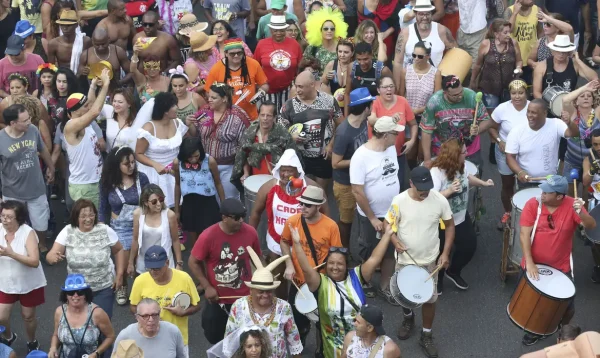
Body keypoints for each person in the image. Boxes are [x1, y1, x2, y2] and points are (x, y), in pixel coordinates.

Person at [288, 195, 393, 357]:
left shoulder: (357, 276)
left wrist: (387, 236)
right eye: (331, 263)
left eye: (339, 264)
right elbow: (307, 269)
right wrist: (297, 244)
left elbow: (374, 259)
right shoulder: (320, 283)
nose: (335, 267)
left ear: (346, 266)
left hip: (361, 348)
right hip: (332, 351)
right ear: (325, 264)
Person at [385, 166, 454, 358]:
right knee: (404, 295)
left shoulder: (439, 200)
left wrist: (445, 253)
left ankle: (426, 334)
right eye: (421, 188)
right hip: (405, 260)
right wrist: (394, 240)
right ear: (411, 183)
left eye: (428, 187)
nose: (425, 192)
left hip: (430, 261)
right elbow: (388, 223)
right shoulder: (399, 201)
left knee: (430, 299)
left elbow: (449, 226)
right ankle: (408, 318)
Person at [519, 175, 596, 345]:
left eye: (547, 192)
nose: (542, 193)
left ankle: (563, 330)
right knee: (534, 305)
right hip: (534, 264)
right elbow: (524, 234)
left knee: (568, 307)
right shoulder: (533, 204)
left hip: (561, 267)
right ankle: (535, 331)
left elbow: (591, 225)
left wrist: (580, 213)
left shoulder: (572, 205)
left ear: (560, 196)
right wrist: (529, 262)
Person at [248, 149, 325, 298]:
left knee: (304, 278)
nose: (285, 174)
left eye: (289, 171)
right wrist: (250, 237)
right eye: (282, 170)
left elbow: (325, 213)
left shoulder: (311, 187)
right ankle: (282, 305)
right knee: (278, 279)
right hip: (276, 243)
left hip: (304, 243)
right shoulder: (268, 187)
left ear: (298, 171)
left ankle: (301, 309)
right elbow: (255, 213)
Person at [188, 198, 261, 345]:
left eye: (243, 216)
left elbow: (257, 259)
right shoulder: (208, 235)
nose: (241, 220)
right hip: (219, 299)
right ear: (224, 218)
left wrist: (263, 281)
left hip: (245, 298)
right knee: (214, 334)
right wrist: (207, 286)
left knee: (247, 339)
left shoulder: (251, 232)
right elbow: (193, 262)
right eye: (236, 217)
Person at [279, 185, 341, 344]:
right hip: (298, 282)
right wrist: (289, 264)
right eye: (301, 203)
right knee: (297, 322)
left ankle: (321, 350)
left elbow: (337, 255)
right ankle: (300, 344)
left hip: (320, 284)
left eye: (308, 205)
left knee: (323, 324)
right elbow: (284, 241)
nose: (303, 208)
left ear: (319, 206)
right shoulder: (293, 221)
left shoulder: (331, 226)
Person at [431, 138, 494, 292]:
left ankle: (453, 271)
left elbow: (467, 178)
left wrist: (483, 183)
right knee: (438, 253)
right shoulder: (436, 172)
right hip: (442, 222)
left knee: (469, 246)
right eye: (464, 152)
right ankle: (436, 279)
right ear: (454, 155)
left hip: (460, 216)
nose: (467, 154)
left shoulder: (461, 166)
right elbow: (432, 199)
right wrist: (449, 191)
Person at [46, 199, 126, 319]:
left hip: (103, 287)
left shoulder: (105, 230)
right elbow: (50, 255)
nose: (88, 219)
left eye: (91, 215)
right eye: (83, 216)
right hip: (76, 291)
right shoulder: (68, 231)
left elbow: (119, 250)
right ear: (75, 217)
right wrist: (53, 258)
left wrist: (119, 275)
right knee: (80, 324)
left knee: (102, 323)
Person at [350, 115, 401, 302]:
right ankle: (366, 281)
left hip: (392, 213)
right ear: (386, 135)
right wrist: (372, 218)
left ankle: (385, 286)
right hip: (370, 216)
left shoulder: (391, 148)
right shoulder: (361, 157)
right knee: (368, 249)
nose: (398, 137)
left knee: (389, 251)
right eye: (395, 133)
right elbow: (357, 191)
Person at [224, 247, 303, 358]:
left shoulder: (284, 307)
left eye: (269, 291)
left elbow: (294, 341)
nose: (265, 295)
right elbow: (229, 342)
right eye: (261, 291)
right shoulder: (238, 306)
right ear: (251, 290)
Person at [0, 104, 54, 253]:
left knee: (41, 222)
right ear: (13, 123)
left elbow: (42, 149)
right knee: (12, 224)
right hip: (12, 192)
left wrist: (51, 168)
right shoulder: (1, 140)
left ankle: (41, 246)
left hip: (36, 189)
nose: (29, 122)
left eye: (29, 118)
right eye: (24, 120)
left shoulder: (33, 130)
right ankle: (17, 250)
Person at [278, 71, 343, 195]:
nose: (297, 90)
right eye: (296, 86)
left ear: (312, 85)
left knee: (318, 193)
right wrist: (291, 137)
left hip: (323, 157)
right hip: (299, 156)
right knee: (298, 192)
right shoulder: (289, 106)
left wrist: (331, 145)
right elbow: (279, 131)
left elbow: (341, 124)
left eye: (301, 86)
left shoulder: (329, 101)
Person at [99, 146, 149, 305]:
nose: (131, 166)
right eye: (126, 164)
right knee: (125, 261)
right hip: (120, 227)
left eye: (133, 162)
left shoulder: (142, 178)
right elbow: (102, 208)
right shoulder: (107, 182)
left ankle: (142, 288)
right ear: (116, 165)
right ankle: (122, 286)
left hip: (142, 224)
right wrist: (100, 230)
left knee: (141, 260)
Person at [129, 245, 201, 356]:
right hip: (149, 337)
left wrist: (183, 312)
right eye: (150, 268)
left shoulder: (184, 278)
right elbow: (133, 306)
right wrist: (146, 318)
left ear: (167, 263)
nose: (153, 272)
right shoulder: (140, 281)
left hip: (177, 339)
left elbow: (196, 305)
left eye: (157, 268)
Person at [0, 201, 46, 352]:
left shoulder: (28, 233)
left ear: (18, 218)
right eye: (3, 216)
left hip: (28, 283)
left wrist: (11, 254)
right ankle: (8, 336)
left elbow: (34, 261)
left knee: (28, 316)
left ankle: (31, 341)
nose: (4, 220)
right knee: (1, 316)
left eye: (9, 217)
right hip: (5, 281)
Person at [420, 75, 492, 170]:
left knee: (473, 178)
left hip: (470, 149)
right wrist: (427, 159)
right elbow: (426, 131)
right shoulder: (434, 102)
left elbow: (486, 120)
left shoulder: (471, 96)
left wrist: (478, 129)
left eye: (461, 91)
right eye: (455, 95)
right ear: (445, 93)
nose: (460, 96)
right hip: (444, 150)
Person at [63, 70, 110, 209]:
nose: (88, 107)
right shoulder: (71, 126)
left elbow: (90, 104)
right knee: (90, 225)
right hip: (85, 186)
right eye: (85, 107)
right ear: (76, 111)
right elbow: (95, 111)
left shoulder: (84, 121)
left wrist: (93, 86)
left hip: (92, 183)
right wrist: (106, 85)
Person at [505, 99, 579, 188]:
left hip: (550, 181)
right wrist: (520, 172)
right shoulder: (516, 131)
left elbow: (574, 133)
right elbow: (510, 156)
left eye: (534, 113)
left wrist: (570, 123)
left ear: (545, 113)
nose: (529, 115)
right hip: (527, 182)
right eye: (528, 112)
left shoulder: (556, 124)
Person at [195, 83, 250, 200]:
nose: (209, 100)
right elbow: (195, 135)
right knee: (210, 200)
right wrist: (189, 124)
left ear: (224, 99)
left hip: (229, 167)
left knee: (229, 200)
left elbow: (245, 147)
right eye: (208, 96)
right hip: (206, 166)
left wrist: (246, 172)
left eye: (213, 98)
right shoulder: (204, 111)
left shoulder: (238, 116)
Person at [332, 88, 372, 249]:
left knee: (364, 216)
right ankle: (342, 251)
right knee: (346, 222)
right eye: (371, 104)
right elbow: (335, 163)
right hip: (345, 184)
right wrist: (359, 159)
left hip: (360, 181)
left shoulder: (363, 122)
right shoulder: (345, 132)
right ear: (365, 108)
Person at [135, 92, 189, 209]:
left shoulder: (177, 123)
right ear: (165, 110)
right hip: (154, 173)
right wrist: (155, 164)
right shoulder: (148, 128)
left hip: (174, 171)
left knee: (179, 206)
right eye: (174, 105)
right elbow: (138, 154)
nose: (177, 107)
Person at [488, 79, 529, 229]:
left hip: (526, 153)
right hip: (504, 153)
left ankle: (526, 215)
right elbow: (491, 128)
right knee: (507, 184)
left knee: (526, 183)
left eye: (520, 93)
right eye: (513, 93)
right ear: (509, 94)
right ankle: (508, 212)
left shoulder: (533, 107)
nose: (517, 96)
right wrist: (499, 141)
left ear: (526, 92)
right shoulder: (502, 108)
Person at [173, 137, 225, 249]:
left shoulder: (209, 161)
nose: (193, 160)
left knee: (211, 236)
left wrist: (224, 205)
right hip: (189, 203)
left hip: (208, 203)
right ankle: (197, 262)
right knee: (195, 239)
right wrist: (177, 210)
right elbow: (177, 185)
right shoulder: (177, 163)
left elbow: (218, 183)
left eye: (196, 156)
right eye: (190, 157)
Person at [47, 274, 115, 358]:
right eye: (71, 292)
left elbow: (110, 336)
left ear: (86, 294)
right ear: (66, 295)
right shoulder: (59, 312)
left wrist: (96, 353)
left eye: (80, 292)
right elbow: (56, 334)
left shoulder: (97, 313)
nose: (75, 295)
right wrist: (53, 348)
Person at [392, 0, 456, 85]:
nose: (425, 17)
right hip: (409, 84)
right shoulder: (405, 33)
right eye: (421, 14)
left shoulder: (442, 31)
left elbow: (456, 53)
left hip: (434, 83)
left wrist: (446, 78)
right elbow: (398, 62)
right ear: (415, 14)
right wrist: (397, 86)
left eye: (427, 14)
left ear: (431, 13)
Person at [204, 38, 269, 120]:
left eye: (239, 53)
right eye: (232, 54)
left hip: (251, 116)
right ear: (226, 54)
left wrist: (259, 95)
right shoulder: (217, 68)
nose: (236, 56)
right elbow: (208, 92)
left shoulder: (253, 64)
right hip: (226, 118)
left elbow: (264, 85)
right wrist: (219, 102)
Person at [370, 75, 417, 189]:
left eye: (391, 86)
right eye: (385, 87)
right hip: (378, 152)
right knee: (379, 185)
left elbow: (413, 124)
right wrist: (390, 119)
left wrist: (412, 141)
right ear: (378, 89)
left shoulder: (403, 101)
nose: (389, 89)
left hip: (398, 153)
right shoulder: (374, 102)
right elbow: (371, 120)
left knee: (398, 184)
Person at [399, 41, 441, 169]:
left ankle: (422, 175)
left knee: (423, 153)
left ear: (428, 56)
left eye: (420, 56)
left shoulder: (436, 73)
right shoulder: (406, 71)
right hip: (409, 118)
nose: (416, 59)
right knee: (410, 153)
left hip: (427, 118)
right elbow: (401, 95)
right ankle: (413, 174)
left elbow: (437, 99)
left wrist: (418, 110)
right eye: (414, 55)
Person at [231, 101, 296, 181]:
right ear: (258, 116)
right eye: (262, 115)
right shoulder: (250, 133)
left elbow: (292, 158)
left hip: (276, 179)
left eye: (268, 115)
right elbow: (244, 154)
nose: (265, 118)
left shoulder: (283, 134)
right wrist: (246, 173)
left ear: (274, 117)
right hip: (256, 179)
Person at [471, 19, 522, 112]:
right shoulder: (486, 44)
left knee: (508, 113)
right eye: (505, 32)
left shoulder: (513, 43)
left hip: (509, 87)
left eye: (509, 32)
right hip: (489, 88)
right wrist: (473, 81)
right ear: (496, 34)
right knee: (492, 115)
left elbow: (519, 61)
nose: (508, 35)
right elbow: (478, 65)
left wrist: (519, 68)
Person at [254, 15, 303, 113]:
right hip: (268, 90)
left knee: (287, 116)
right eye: (275, 30)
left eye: (281, 30)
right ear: (270, 29)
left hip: (288, 89)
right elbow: (256, 65)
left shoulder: (294, 44)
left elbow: (300, 66)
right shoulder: (262, 44)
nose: (278, 33)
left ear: (285, 29)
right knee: (269, 116)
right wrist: (259, 85)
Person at [129, 184, 181, 274]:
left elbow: (175, 240)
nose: (158, 204)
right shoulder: (138, 214)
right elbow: (135, 240)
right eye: (154, 201)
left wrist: (179, 263)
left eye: (161, 200)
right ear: (145, 202)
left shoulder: (169, 215)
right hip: (144, 264)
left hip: (165, 264)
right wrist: (130, 263)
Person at [561, 80, 600, 197]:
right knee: (570, 194)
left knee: (587, 194)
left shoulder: (597, 113)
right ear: (576, 101)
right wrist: (585, 88)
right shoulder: (572, 113)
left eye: (589, 96)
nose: (586, 98)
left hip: (592, 160)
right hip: (572, 161)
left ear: (593, 100)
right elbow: (565, 100)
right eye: (582, 96)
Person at [533, 35, 597, 101]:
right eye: (558, 51)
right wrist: (551, 106)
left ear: (569, 51)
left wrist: (578, 60)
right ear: (552, 50)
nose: (561, 54)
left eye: (564, 51)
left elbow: (594, 78)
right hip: (547, 105)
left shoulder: (575, 64)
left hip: (570, 103)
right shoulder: (541, 66)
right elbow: (536, 92)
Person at [113, 300, 185, 358]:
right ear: (137, 317)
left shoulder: (173, 331)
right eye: (145, 316)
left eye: (154, 315)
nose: (151, 319)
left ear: (159, 315)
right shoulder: (126, 335)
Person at [343, 42, 392, 116]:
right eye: (359, 59)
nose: (362, 63)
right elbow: (347, 93)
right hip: (357, 111)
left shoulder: (382, 70)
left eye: (365, 59)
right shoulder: (352, 67)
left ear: (371, 55)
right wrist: (346, 118)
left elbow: (392, 94)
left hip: (377, 111)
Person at [78, 28, 132, 92]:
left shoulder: (118, 51)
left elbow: (131, 72)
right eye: (97, 45)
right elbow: (78, 75)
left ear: (109, 40)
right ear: (92, 41)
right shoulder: (86, 55)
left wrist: (119, 83)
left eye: (103, 44)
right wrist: (83, 73)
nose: (100, 47)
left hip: (115, 91)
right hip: (93, 92)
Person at [503, 0, 539, 84]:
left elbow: (540, 31)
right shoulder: (509, 11)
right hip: (513, 58)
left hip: (530, 58)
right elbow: (508, 30)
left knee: (527, 87)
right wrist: (515, 13)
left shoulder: (537, 10)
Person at [303, 8, 348, 75]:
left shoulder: (341, 47)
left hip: (336, 83)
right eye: (326, 29)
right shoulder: (312, 48)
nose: (329, 31)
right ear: (320, 30)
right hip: (316, 83)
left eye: (332, 29)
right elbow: (303, 66)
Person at [581, 129, 600, 283]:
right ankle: (598, 265)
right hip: (596, 201)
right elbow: (586, 182)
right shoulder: (589, 158)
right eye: (595, 144)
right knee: (596, 242)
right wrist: (592, 170)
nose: (598, 147)